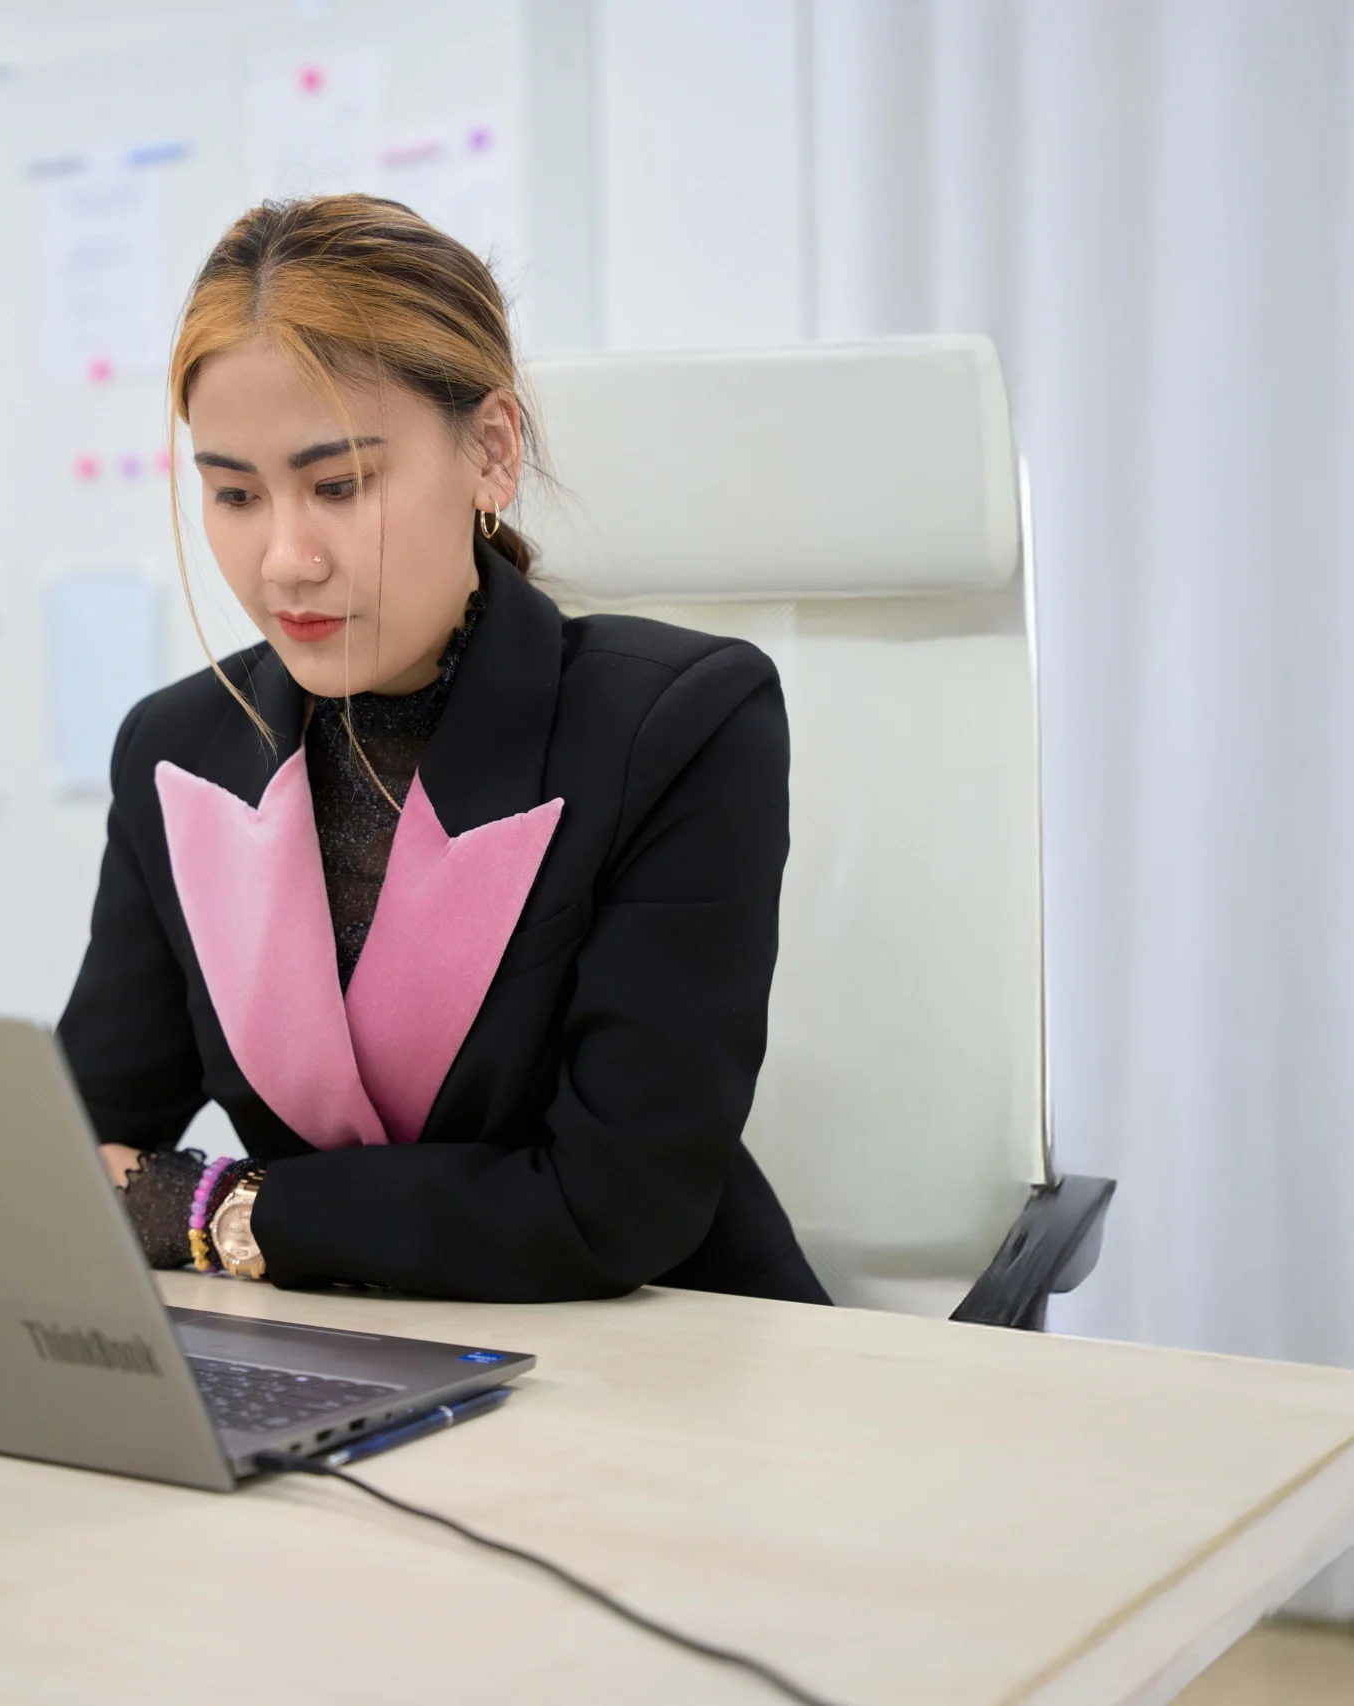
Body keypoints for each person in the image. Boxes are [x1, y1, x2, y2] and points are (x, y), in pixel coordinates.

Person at [57, 194, 829, 1306]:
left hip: (668, 1352)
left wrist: (223, 1207)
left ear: (491, 453)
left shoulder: (675, 726)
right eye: (234, 493)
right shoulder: (177, 752)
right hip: (337, 1358)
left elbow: (613, 1204)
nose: (283, 559)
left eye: (339, 486)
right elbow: (84, 1153)